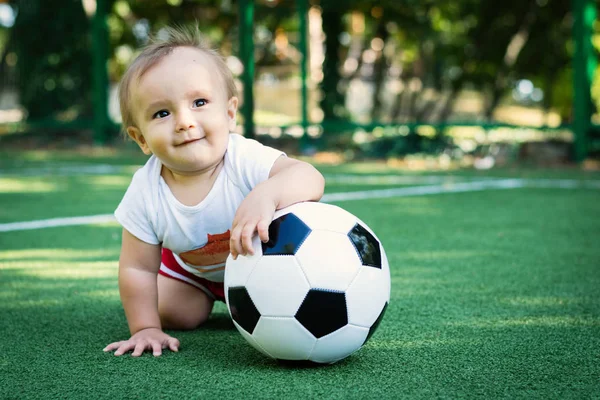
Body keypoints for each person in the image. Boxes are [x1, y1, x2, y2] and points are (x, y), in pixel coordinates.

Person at [103, 26, 325, 357]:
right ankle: (189, 290)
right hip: (191, 272)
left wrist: (268, 193)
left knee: (287, 305)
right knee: (180, 314)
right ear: (141, 139)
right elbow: (136, 268)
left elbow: (308, 176)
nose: (184, 121)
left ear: (230, 112)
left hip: (264, 265)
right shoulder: (145, 192)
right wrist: (145, 327)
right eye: (162, 113)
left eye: (199, 102)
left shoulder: (243, 158)